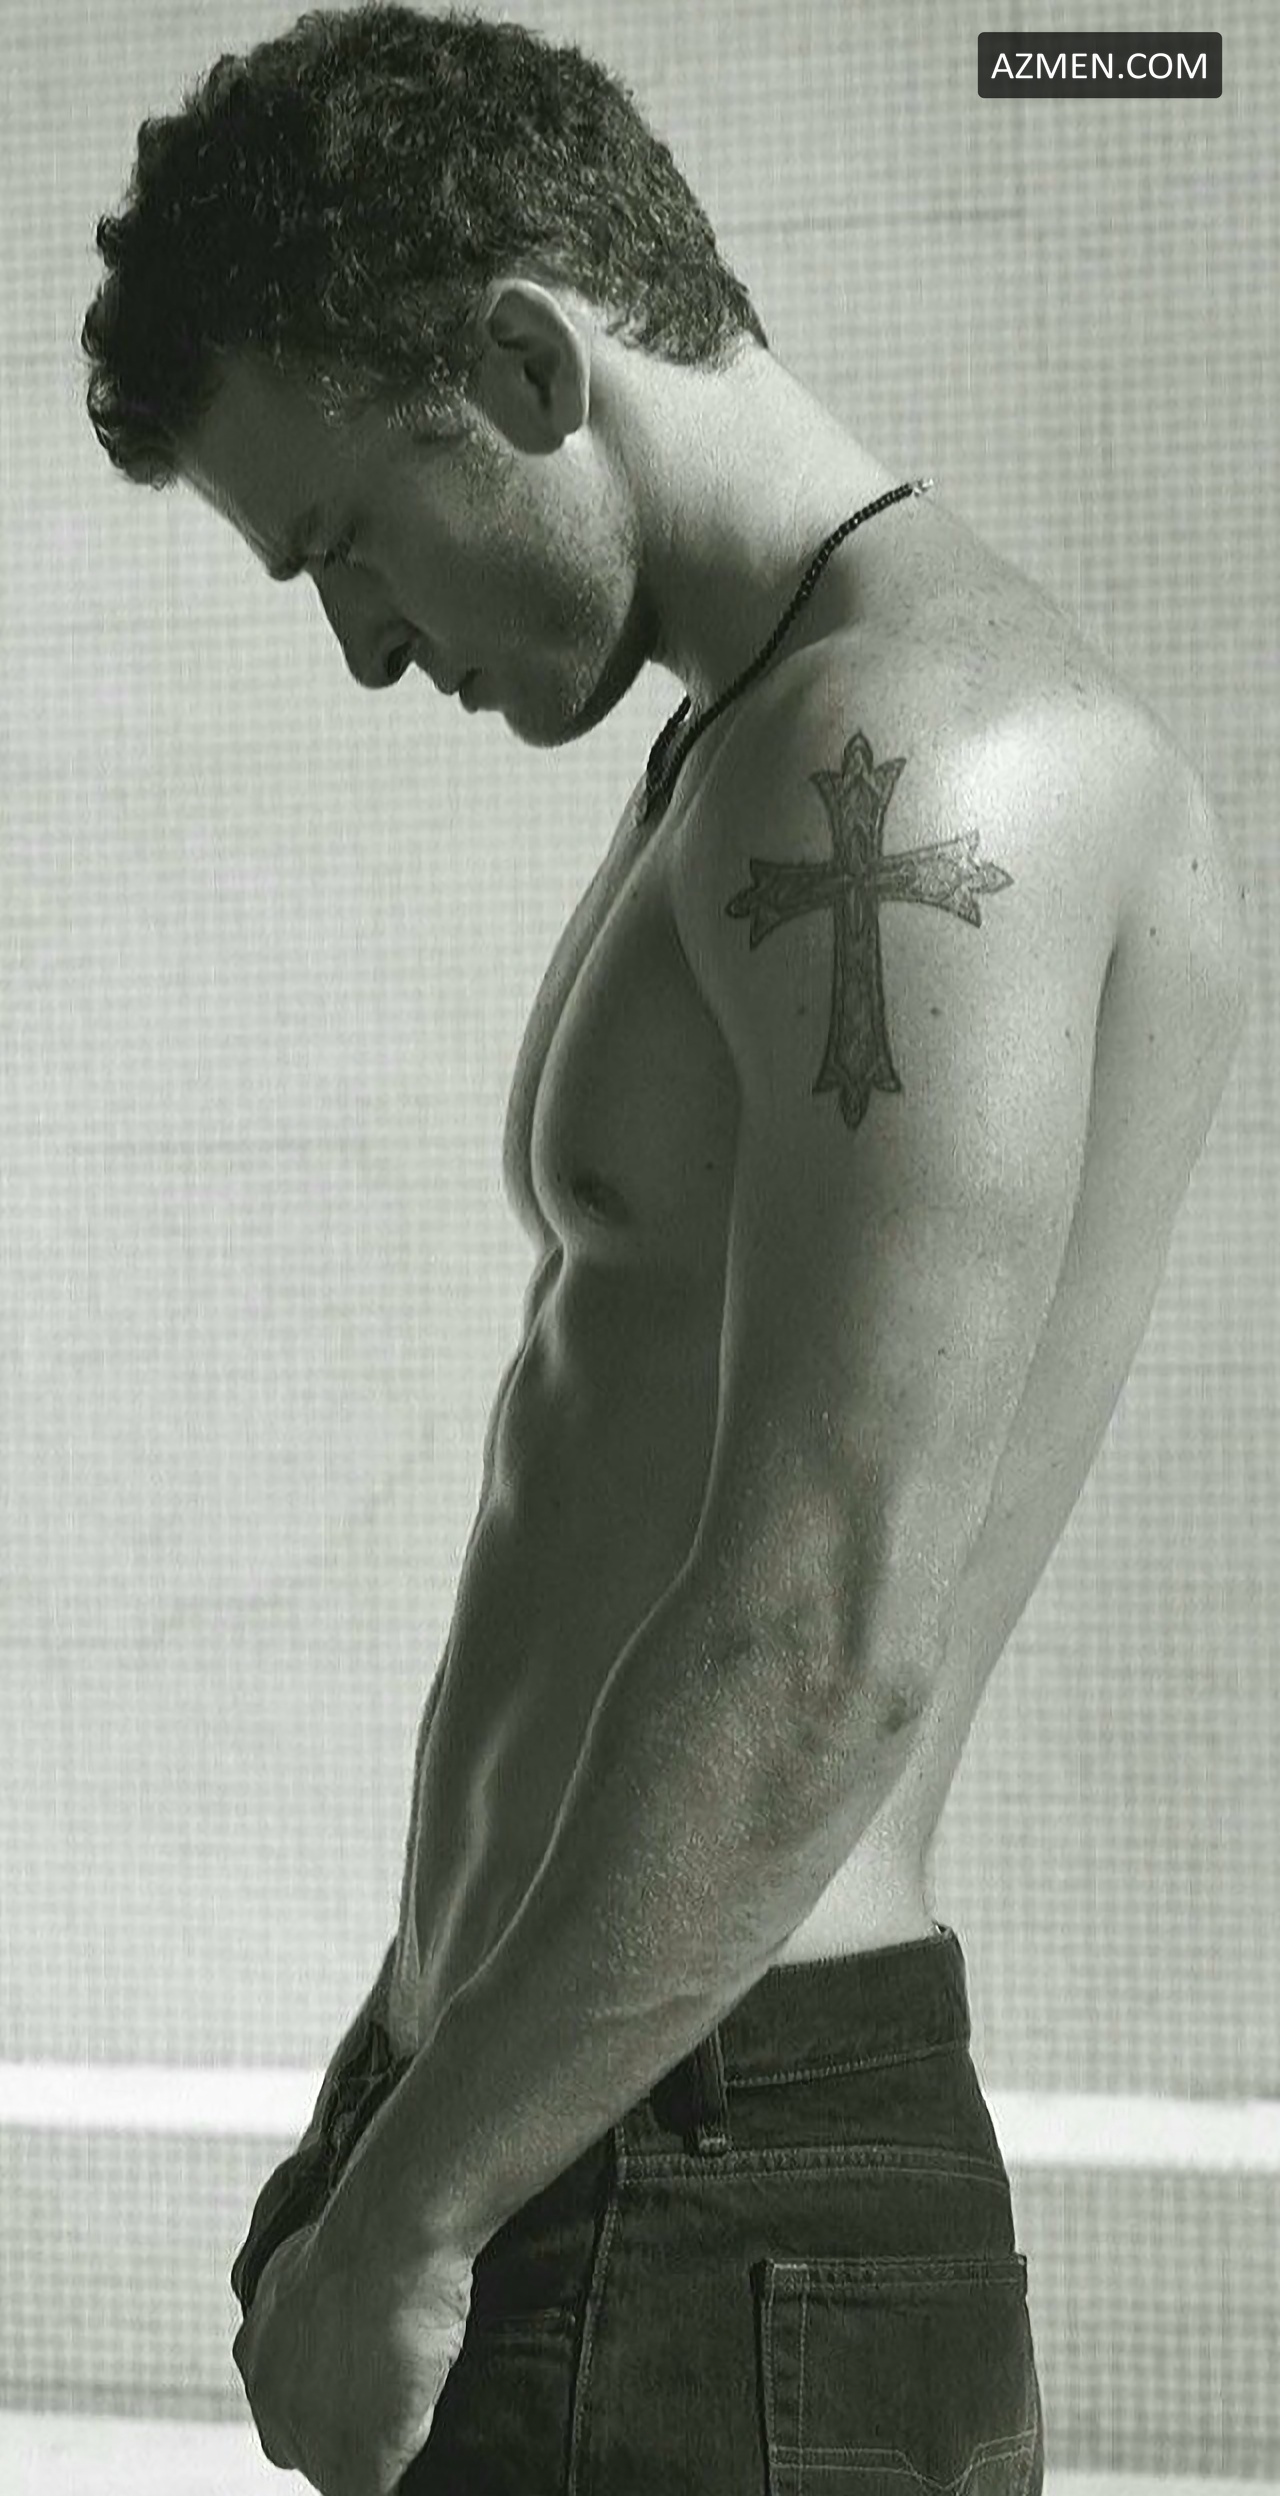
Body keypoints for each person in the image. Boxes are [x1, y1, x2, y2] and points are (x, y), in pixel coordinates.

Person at [82, 9, 1248, 2494]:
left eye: (344, 541)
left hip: (702, 2180)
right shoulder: (760, 745)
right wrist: (404, 2083)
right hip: (566, 2123)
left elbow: (824, 1623)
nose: (361, 644)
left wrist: (412, 2218)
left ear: (530, 364)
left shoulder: (934, 764)